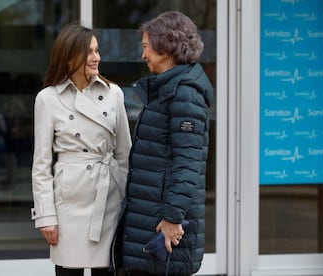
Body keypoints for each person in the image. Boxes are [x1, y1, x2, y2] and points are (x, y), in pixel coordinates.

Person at [113, 11, 214, 275]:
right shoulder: (169, 90)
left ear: (165, 48)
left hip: (164, 226)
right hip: (151, 216)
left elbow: (188, 163)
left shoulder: (185, 94)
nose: (143, 55)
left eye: (146, 47)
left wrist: (172, 218)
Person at [31, 24, 132, 276]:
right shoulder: (48, 98)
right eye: (89, 52)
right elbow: (41, 166)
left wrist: (125, 198)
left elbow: (124, 154)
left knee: (107, 270)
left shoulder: (114, 94)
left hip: (108, 197)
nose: (96, 57)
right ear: (68, 56)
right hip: (70, 203)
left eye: (97, 50)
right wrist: (45, 216)